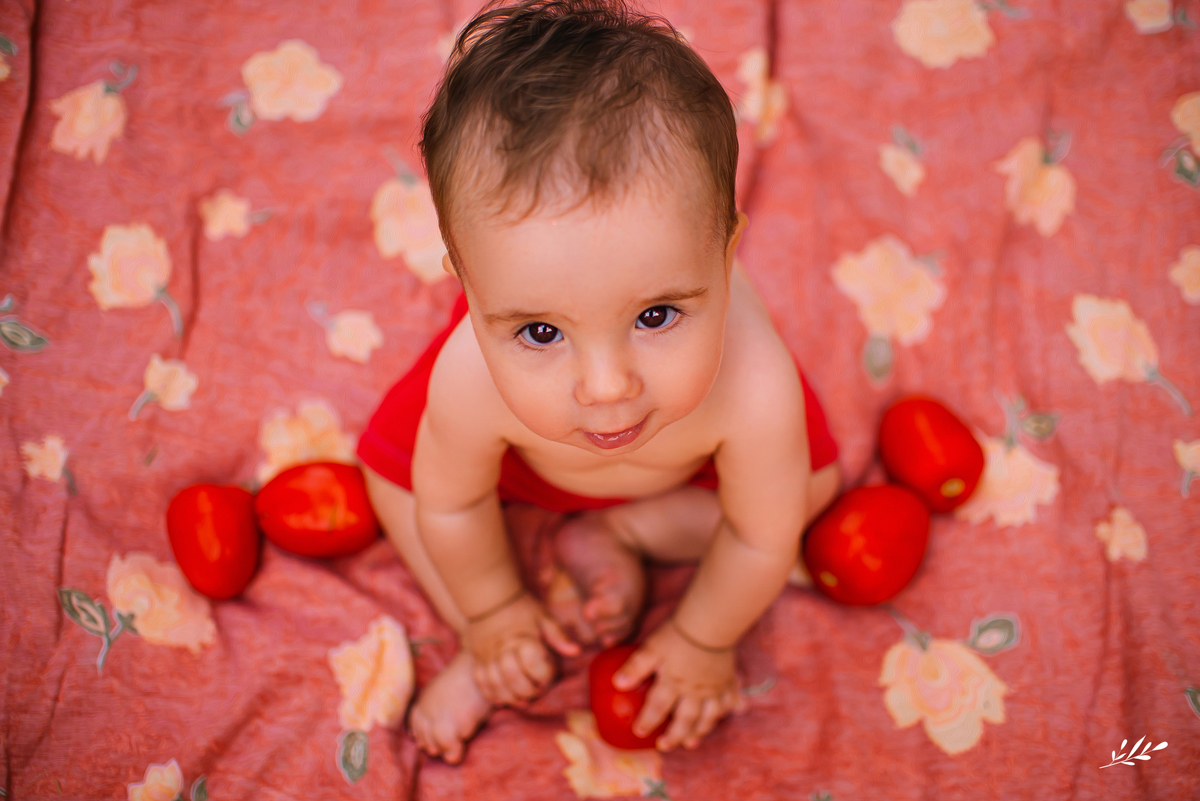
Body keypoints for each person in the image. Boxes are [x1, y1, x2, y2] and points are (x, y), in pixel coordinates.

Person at [357, 0, 841, 765]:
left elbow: (758, 534)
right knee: (397, 481)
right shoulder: (470, 379)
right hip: (529, 456)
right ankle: (494, 644)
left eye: (654, 314)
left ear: (725, 253)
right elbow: (451, 503)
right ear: (472, 292)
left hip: (689, 466)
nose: (608, 386)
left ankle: (629, 530)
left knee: (806, 491)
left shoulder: (754, 388)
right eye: (540, 331)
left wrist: (700, 638)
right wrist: (491, 609)